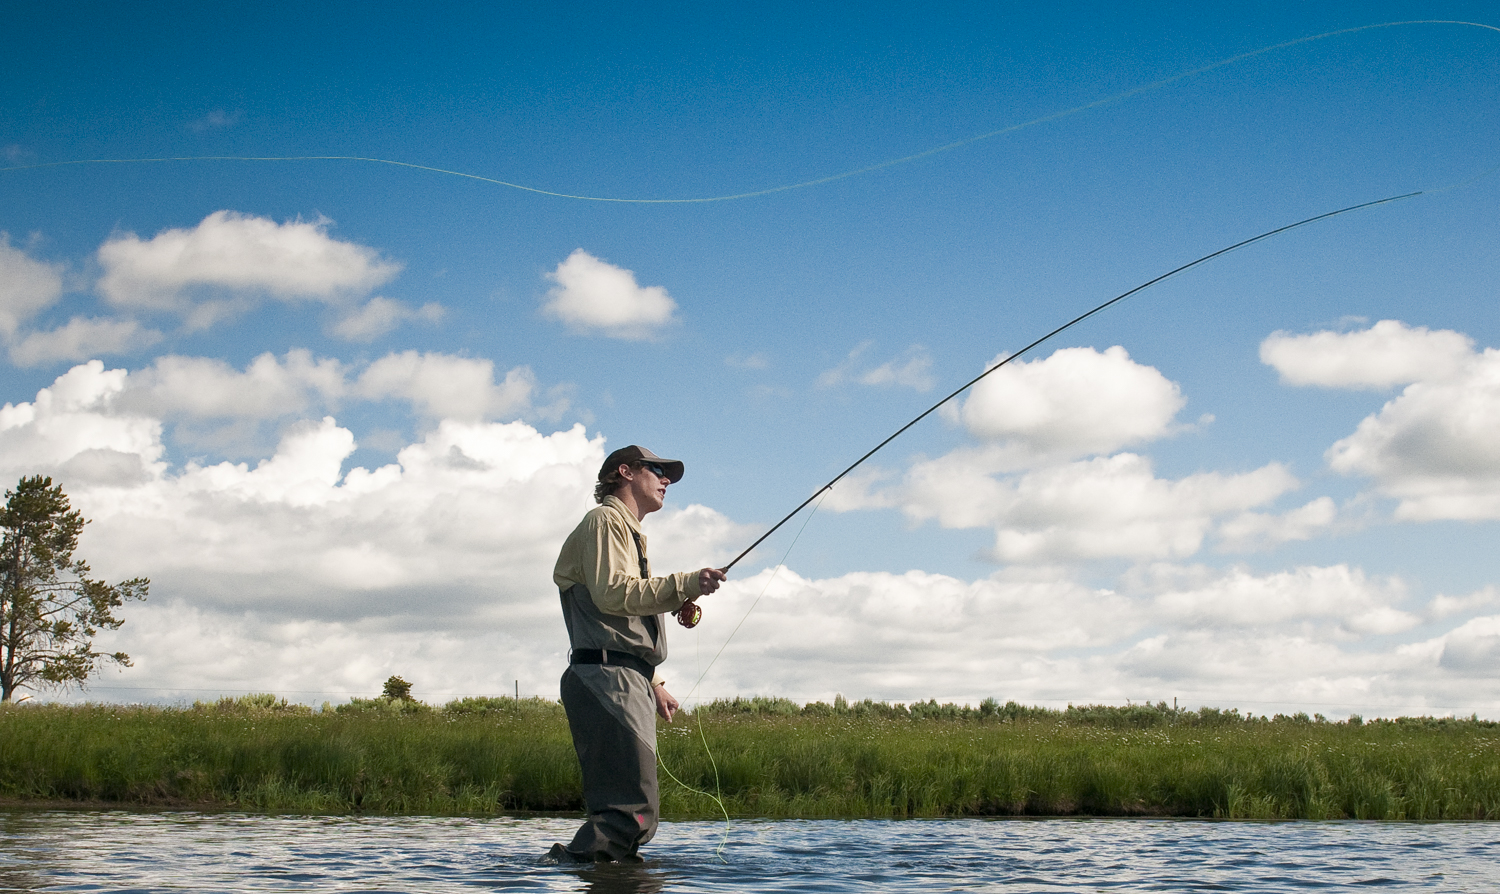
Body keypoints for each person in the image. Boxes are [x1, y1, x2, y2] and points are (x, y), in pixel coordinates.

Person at [549, 445, 727, 863]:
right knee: (629, 812)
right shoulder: (605, 521)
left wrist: (654, 682)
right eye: (658, 470)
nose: (666, 479)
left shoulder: (627, 532)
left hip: (624, 677)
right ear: (624, 472)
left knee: (634, 814)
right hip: (607, 678)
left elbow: (618, 618)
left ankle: (609, 879)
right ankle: (568, 871)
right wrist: (685, 583)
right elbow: (614, 594)